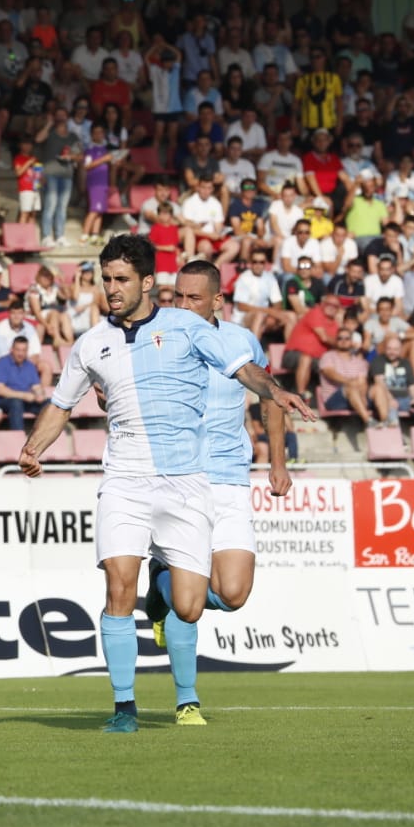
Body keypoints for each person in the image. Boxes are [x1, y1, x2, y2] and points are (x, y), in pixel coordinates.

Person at [19, 235, 313, 733]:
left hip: (186, 482)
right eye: (106, 279)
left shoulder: (185, 327)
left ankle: (164, 601)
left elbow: (244, 371)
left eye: (121, 280)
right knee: (117, 585)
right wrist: (33, 448)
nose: (111, 289)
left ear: (147, 282)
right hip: (125, 480)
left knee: (189, 605)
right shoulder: (91, 342)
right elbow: (61, 404)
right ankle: (124, 708)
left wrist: (276, 391)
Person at [143, 259, 292, 725]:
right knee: (191, 604)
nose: (182, 306)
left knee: (232, 594)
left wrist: (277, 461)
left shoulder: (241, 341)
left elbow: (270, 393)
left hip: (230, 476)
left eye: (193, 297)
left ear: (216, 300)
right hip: (179, 479)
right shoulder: (156, 338)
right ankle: (187, 702)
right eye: (176, 297)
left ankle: (159, 588)